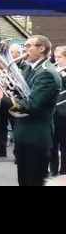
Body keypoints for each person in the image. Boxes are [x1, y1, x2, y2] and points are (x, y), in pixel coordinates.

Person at [0, 35, 61, 186]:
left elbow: (32, 105)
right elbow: (19, 93)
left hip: (36, 136)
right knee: (24, 180)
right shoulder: (30, 69)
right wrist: (6, 91)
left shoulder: (47, 73)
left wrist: (4, 99)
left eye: (29, 45)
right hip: (24, 132)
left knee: (33, 180)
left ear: (42, 48)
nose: (25, 49)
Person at [0, 44, 25, 158]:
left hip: (13, 100)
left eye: (13, 52)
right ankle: (0, 149)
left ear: (19, 54)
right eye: (10, 52)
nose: (11, 55)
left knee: (16, 127)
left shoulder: (22, 67)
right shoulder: (1, 66)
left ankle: (18, 154)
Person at [51, 46, 66, 177]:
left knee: (64, 145)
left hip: (64, 113)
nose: (57, 60)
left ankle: (64, 171)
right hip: (54, 112)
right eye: (55, 57)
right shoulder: (55, 71)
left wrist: (63, 76)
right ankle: (53, 170)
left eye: (60, 57)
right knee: (52, 144)